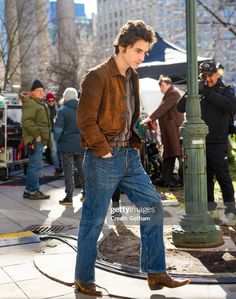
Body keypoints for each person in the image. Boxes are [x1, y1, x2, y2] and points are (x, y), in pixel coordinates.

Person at [74, 20, 190, 296]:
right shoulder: (97, 76)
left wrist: (137, 134)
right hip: (104, 157)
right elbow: (85, 120)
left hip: (129, 155)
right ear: (123, 47)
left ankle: (155, 271)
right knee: (93, 218)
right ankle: (83, 278)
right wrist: (103, 150)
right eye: (138, 50)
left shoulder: (132, 76)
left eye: (145, 52)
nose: (142, 56)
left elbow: (127, 114)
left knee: (152, 205)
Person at [177, 60, 236, 225]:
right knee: (206, 179)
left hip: (218, 142)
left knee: (223, 178)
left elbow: (231, 106)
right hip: (200, 143)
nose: (207, 79)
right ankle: (211, 211)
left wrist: (209, 93)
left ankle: (231, 213)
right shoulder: (198, 89)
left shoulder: (225, 89)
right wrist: (192, 90)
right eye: (204, 76)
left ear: (217, 74)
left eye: (210, 76)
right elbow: (180, 107)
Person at [141, 75, 184, 190]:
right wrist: (150, 116)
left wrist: (150, 118)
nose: (161, 89)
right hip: (171, 131)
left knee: (178, 154)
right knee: (170, 155)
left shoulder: (173, 94)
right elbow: (161, 108)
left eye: (162, 86)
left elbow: (163, 108)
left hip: (174, 130)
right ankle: (166, 179)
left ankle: (182, 180)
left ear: (168, 84)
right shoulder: (169, 94)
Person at [54, 87, 85, 205]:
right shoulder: (83, 109)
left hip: (67, 146)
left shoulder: (63, 110)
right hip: (81, 144)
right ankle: (86, 193)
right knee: (82, 170)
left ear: (65, 97)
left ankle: (69, 196)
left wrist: (57, 139)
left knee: (68, 171)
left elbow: (58, 130)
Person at [21, 79, 51, 200]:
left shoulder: (39, 103)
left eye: (41, 90)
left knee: (34, 165)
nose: (40, 92)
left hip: (38, 139)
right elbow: (26, 121)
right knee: (36, 166)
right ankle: (33, 191)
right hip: (34, 139)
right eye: (37, 90)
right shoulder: (32, 103)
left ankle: (28, 190)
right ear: (32, 92)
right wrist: (37, 135)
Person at [45, 92, 63, 176]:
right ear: (47, 101)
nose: (51, 102)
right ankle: (57, 168)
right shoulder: (44, 109)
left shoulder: (58, 108)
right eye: (49, 101)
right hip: (51, 132)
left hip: (59, 131)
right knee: (54, 151)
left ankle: (62, 167)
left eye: (53, 100)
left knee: (61, 150)